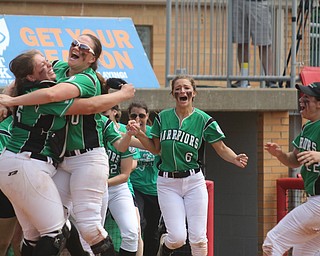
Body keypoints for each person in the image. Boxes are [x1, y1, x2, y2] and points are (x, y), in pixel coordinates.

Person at [0, 45, 135, 255]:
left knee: (35, 235)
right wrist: (123, 95)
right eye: (41, 65)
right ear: (31, 77)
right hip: (26, 165)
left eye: (45, 59)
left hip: (17, 165)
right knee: (56, 234)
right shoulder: (41, 94)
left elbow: (77, 76)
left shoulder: (41, 80)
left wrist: (106, 81)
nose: (48, 63)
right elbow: (89, 106)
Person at [133, 75, 248, 256]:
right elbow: (155, 149)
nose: (182, 91)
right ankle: (166, 246)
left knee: (199, 240)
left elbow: (221, 147)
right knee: (178, 237)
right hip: (167, 182)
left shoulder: (203, 119)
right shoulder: (163, 118)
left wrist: (234, 158)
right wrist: (140, 134)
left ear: (194, 93)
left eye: (186, 88)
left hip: (193, 180)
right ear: (172, 93)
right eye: (177, 88)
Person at [262, 82, 320, 255]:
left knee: (272, 242)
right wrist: (279, 154)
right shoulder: (308, 127)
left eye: (307, 97)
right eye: (302, 96)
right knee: (303, 253)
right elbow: (295, 160)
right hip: (314, 201)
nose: (302, 100)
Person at [127, 101, 162, 256]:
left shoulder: (153, 135)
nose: (138, 118)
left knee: (153, 231)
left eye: (141, 115)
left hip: (154, 189)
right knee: (139, 223)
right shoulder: (125, 133)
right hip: (135, 187)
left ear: (147, 116)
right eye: (134, 115)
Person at [231, 0, 278, 88]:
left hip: (258, 2)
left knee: (264, 43)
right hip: (238, 3)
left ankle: (270, 79)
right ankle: (244, 77)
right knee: (241, 42)